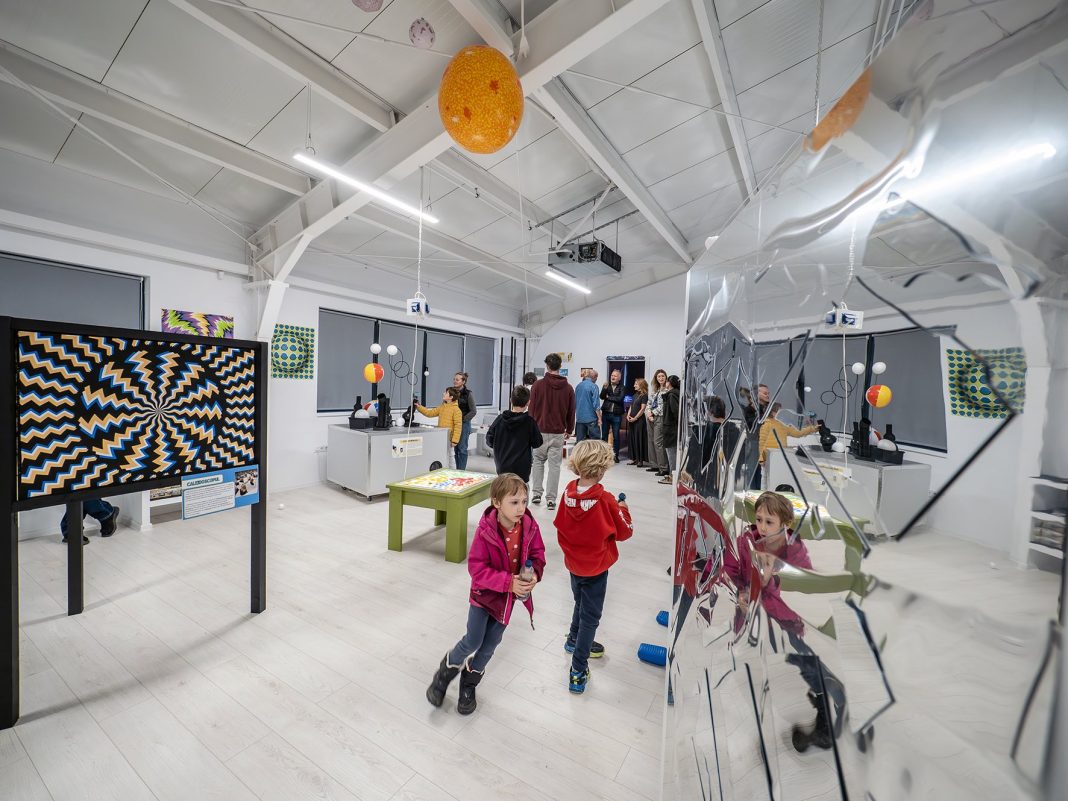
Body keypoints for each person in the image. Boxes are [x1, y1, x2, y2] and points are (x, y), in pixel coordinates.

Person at [723, 491, 843, 752]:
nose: (762, 527)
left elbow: (803, 587)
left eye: (770, 522)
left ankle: (825, 712)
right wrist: (740, 591)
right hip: (756, 619)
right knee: (771, 664)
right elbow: (731, 569)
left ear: (785, 524)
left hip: (786, 622)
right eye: (759, 519)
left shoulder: (794, 549)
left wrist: (772, 579)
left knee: (802, 661)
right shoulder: (746, 541)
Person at [426, 474, 546, 714]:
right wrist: (507, 582)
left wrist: (534, 574)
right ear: (497, 503)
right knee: (473, 640)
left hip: (507, 601)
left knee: (490, 645)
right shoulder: (485, 531)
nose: (521, 508)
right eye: (514, 502)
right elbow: (477, 569)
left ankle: (469, 684)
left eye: (524, 501)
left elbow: (538, 555)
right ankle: (444, 674)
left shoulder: (530, 527)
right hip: (483, 597)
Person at [553, 440, 633, 694]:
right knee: (591, 617)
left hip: (573, 564)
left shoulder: (567, 494)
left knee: (580, 601)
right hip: (596, 567)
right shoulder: (606, 500)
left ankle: (572, 638)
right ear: (602, 469)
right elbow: (625, 532)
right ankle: (578, 669)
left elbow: (560, 526)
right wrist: (624, 510)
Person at [528, 353, 576, 511]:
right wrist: (569, 429)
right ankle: (551, 499)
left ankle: (536, 494)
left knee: (537, 462)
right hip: (558, 432)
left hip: (539, 431)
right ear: (560, 366)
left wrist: (530, 429)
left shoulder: (537, 385)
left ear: (547, 366)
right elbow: (571, 411)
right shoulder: (568, 388)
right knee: (555, 466)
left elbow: (531, 410)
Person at [486, 385, 543, 482]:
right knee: (521, 490)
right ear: (528, 403)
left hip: (502, 467)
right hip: (522, 469)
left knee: (504, 489)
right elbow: (537, 442)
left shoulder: (499, 420)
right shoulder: (529, 422)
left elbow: (489, 440)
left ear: (510, 400)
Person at [758, 402, 818, 472]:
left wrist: (814, 428)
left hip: (781, 455)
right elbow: (762, 442)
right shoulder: (766, 424)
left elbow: (798, 433)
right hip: (770, 457)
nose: (781, 413)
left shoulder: (782, 425)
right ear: (773, 412)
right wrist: (761, 459)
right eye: (779, 411)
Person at [417, 387, 463, 468]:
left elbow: (458, 426)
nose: (443, 393)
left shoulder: (456, 410)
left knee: (451, 457)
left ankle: (453, 472)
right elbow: (430, 413)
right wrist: (419, 407)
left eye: (446, 393)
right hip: (441, 437)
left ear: (451, 397)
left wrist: (455, 441)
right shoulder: (442, 407)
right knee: (441, 456)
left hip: (449, 439)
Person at [599, 369, 626, 462]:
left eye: (615, 376)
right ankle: (604, 455)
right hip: (606, 413)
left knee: (616, 436)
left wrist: (608, 397)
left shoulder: (622, 387)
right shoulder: (607, 386)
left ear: (619, 378)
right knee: (604, 436)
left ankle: (615, 455)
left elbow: (619, 399)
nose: (612, 377)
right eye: (612, 375)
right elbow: (602, 396)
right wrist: (604, 388)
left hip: (616, 415)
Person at [646, 369, 669, 476]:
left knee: (658, 443)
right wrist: (648, 413)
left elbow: (663, 406)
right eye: (659, 376)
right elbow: (649, 403)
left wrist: (652, 413)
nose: (661, 378)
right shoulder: (655, 390)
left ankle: (663, 467)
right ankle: (654, 465)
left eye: (662, 376)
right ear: (656, 378)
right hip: (650, 418)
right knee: (651, 441)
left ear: (666, 377)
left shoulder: (667, 390)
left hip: (660, 417)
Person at [659, 375, 681, 485]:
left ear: (670, 383)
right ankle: (673, 475)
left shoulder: (672, 395)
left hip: (671, 428)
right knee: (672, 453)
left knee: (671, 453)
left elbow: (675, 412)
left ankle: (673, 477)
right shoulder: (675, 394)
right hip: (672, 427)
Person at [453, 372, 476, 470]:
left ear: (463, 382)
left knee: (462, 449)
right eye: (454, 379)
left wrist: (462, 419)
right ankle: (457, 470)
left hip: (464, 424)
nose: (455, 381)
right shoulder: (451, 392)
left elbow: (473, 411)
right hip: (454, 424)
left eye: (457, 379)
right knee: (455, 449)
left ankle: (461, 471)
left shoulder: (468, 394)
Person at [626, 378, 649, 466]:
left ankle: (640, 460)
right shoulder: (635, 395)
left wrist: (635, 418)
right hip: (632, 420)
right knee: (632, 439)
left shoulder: (644, 395)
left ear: (641, 385)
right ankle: (634, 458)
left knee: (639, 439)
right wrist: (628, 415)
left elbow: (642, 409)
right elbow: (631, 406)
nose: (634, 385)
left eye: (636, 384)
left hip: (639, 421)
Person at [574, 369, 601, 442]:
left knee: (580, 442)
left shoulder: (578, 386)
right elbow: (596, 405)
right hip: (591, 418)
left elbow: (575, 402)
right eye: (596, 378)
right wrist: (599, 418)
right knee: (595, 442)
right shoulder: (594, 386)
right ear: (594, 377)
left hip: (579, 418)